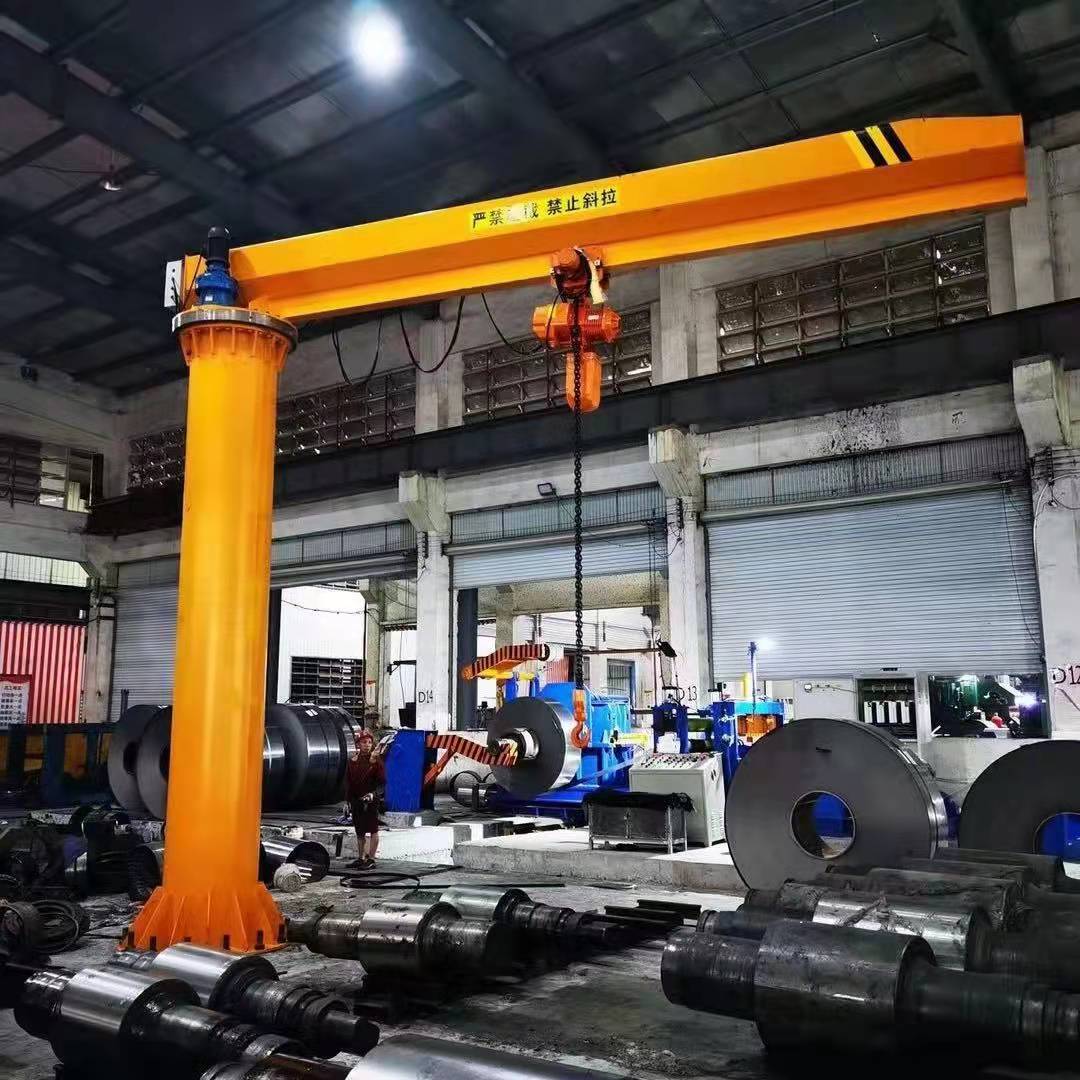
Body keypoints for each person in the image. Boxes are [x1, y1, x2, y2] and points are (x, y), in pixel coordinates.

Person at [345, 729, 385, 869]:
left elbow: (382, 783)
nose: (367, 745)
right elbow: (349, 783)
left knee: (373, 829)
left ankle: (371, 859)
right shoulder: (352, 762)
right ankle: (361, 858)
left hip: (371, 800)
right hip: (357, 800)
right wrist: (347, 801)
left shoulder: (376, 761)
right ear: (358, 744)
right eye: (364, 742)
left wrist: (373, 794)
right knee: (359, 830)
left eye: (369, 742)